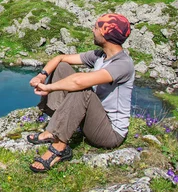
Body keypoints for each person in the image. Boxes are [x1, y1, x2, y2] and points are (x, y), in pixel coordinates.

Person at [27, 13, 134, 173]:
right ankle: (53, 129)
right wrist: (42, 75)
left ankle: (59, 149)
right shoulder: (100, 56)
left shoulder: (123, 64)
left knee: (83, 89)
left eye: (96, 27)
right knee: (62, 67)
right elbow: (60, 58)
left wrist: (49, 88)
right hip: (93, 117)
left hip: (110, 132)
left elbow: (79, 82)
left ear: (106, 33)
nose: (93, 30)